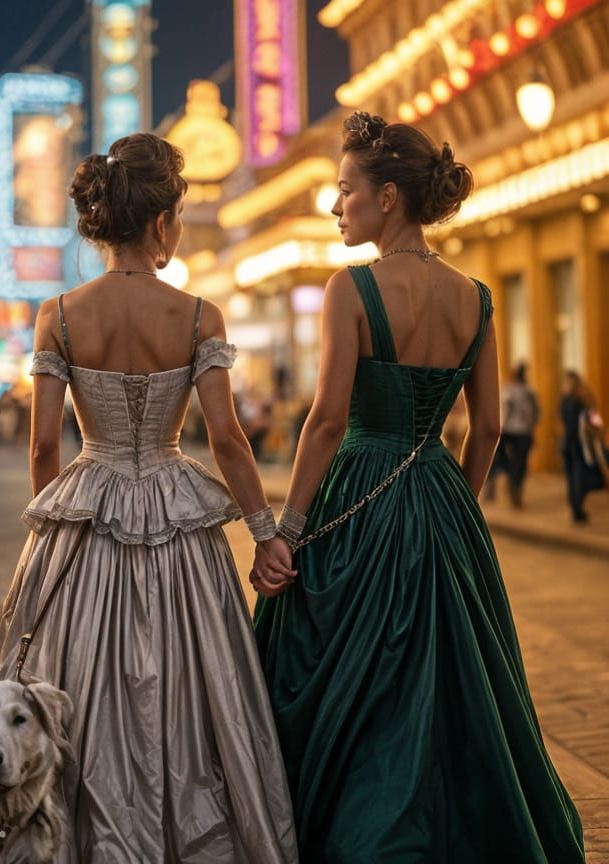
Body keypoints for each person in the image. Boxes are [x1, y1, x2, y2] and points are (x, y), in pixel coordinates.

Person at [255, 112, 582, 861]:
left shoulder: (352, 288)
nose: (337, 207)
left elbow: (328, 421)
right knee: (457, 686)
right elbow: (489, 425)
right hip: (440, 490)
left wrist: (288, 528)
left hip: (360, 489)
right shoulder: (475, 296)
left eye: (345, 192)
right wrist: (455, 502)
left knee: (349, 676)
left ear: (389, 198)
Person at [0, 133, 298, 863]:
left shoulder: (60, 316)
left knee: (80, 688)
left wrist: (58, 531)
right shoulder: (199, 316)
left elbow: (43, 447)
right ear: (163, 222)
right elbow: (227, 439)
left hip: (88, 502)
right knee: (196, 691)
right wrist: (266, 533)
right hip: (176, 508)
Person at [486, 362, 539, 507]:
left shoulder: (508, 390)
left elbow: (505, 410)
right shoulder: (529, 392)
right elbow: (536, 413)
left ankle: (506, 485)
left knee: (503, 460)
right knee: (520, 462)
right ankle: (514, 486)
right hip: (522, 432)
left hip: (509, 430)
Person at [561, 370, 605, 524]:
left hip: (567, 442)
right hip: (579, 445)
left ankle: (575, 507)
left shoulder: (565, 400)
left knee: (571, 477)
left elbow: (563, 421)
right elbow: (595, 419)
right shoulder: (582, 399)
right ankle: (577, 509)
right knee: (580, 476)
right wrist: (600, 431)